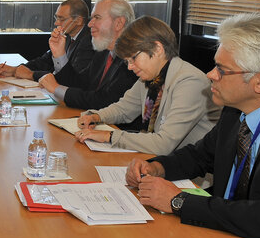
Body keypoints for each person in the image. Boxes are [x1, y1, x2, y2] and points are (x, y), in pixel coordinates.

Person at [126, 13, 260, 238]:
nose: (210, 75)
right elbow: (199, 157)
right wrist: (156, 167)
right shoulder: (236, 111)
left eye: (222, 70)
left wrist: (178, 201)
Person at [74, 16, 216, 154]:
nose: (130, 67)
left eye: (133, 58)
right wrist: (96, 117)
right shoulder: (153, 77)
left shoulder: (190, 81)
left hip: (191, 173)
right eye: (127, 61)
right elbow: (124, 109)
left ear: (157, 48)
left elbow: (164, 144)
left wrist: (109, 136)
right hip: (159, 159)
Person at [37, 0, 137, 110]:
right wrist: (59, 55)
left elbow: (104, 101)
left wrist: (56, 88)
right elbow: (78, 85)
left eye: (97, 18)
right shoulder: (103, 53)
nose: (89, 24)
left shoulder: (132, 59)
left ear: (119, 23)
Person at [0, 0, 94, 81]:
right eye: (56, 18)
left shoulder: (89, 41)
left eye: (61, 19)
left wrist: (31, 74)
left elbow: (72, 79)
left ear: (79, 21)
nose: (56, 23)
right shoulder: (66, 35)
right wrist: (15, 70)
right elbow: (45, 61)